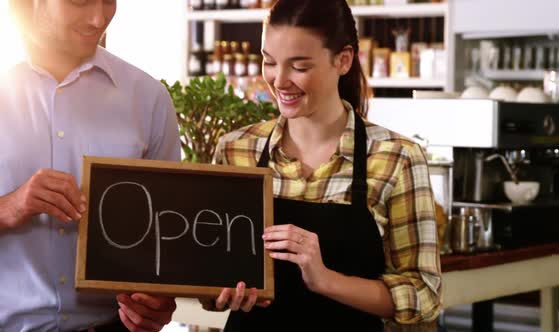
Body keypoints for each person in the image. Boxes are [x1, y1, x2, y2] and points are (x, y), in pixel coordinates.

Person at [208, 0, 442, 330]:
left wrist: (325, 280)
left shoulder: (397, 158)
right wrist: (219, 293)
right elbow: (210, 273)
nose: (279, 81)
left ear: (343, 60)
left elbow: (424, 294)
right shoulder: (236, 150)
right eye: (270, 62)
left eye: (299, 67)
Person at [0, 0, 180, 331]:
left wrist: (159, 302)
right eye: (80, 1)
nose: (100, 18)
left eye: (109, 0)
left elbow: (167, 239)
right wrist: (8, 207)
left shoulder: (149, 98)